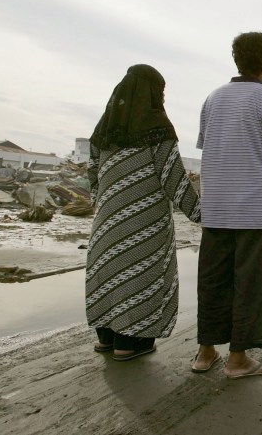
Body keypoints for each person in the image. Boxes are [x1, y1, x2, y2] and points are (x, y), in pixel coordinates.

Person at [193, 32, 262, 378]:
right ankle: (237, 360)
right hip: (253, 211)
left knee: (213, 280)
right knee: (251, 284)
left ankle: (205, 352)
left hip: (216, 208)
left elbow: (209, 149)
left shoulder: (213, 99)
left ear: (236, 61)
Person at [86, 64, 201, 361]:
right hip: (144, 224)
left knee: (110, 273)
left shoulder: (103, 132)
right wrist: (203, 214)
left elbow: (93, 176)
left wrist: (106, 206)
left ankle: (106, 338)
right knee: (139, 278)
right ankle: (129, 343)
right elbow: (174, 182)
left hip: (106, 222)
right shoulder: (158, 131)